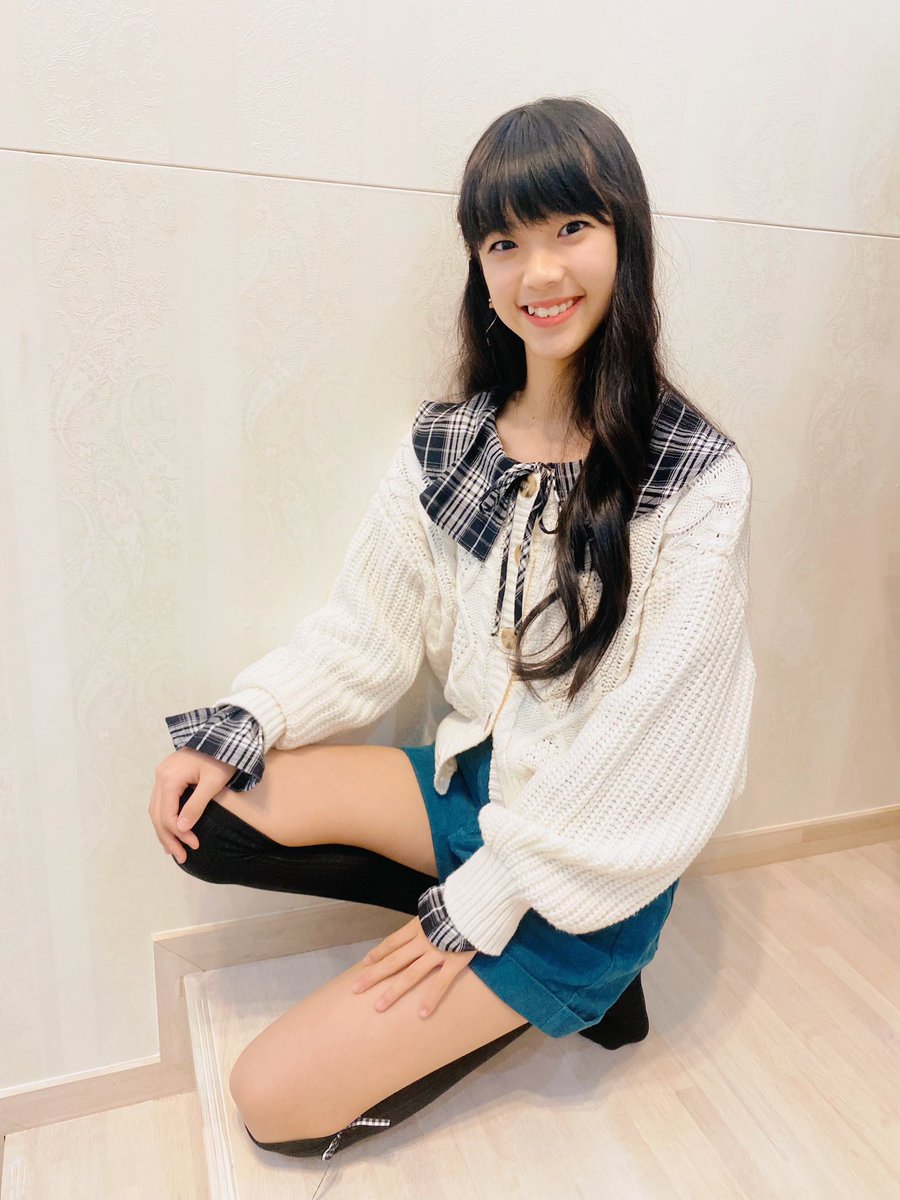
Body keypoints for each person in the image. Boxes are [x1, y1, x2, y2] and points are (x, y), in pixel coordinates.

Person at [148, 95, 756, 1167]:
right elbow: (365, 630)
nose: (540, 272)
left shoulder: (693, 480)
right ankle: (472, 924)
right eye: (504, 242)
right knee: (215, 807)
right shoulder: (451, 444)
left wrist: (491, 899)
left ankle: (580, 982)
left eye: (572, 228)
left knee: (269, 1101)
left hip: (580, 862)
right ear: (479, 265)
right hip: (474, 789)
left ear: (626, 237)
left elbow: (653, 749)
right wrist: (250, 714)